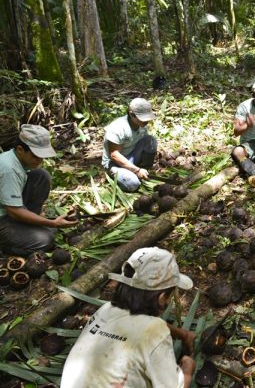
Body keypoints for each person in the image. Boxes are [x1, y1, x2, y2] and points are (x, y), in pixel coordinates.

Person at [61, 247, 197, 388]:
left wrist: (182, 334)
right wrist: (188, 368)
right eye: (169, 297)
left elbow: (138, 326)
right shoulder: (155, 330)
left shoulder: (105, 309)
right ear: (162, 297)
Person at [0, 124, 77, 254]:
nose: (40, 160)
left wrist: (46, 222)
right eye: (36, 156)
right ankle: (5, 245)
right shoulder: (9, 169)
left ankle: (29, 224)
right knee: (45, 240)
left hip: (10, 211)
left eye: (42, 156)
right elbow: (13, 211)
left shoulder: (17, 159)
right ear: (20, 149)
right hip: (4, 217)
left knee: (41, 176)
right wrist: (51, 223)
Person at [102, 97, 158, 192]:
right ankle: (114, 175)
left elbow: (146, 143)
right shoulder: (118, 128)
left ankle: (144, 170)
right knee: (133, 184)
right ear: (131, 114)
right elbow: (114, 155)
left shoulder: (142, 126)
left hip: (131, 156)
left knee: (151, 140)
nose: (146, 121)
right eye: (143, 119)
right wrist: (136, 170)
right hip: (114, 163)